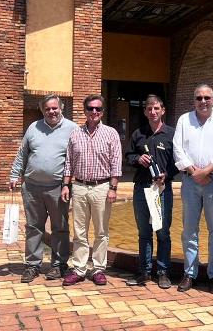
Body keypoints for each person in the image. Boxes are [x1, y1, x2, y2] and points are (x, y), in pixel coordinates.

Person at [9, 94, 77, 283]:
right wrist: (15, 175)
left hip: (58, 188)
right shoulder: (34, 127)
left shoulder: (72, 129)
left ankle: (59, 264)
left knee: (60, 227)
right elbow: (22, 153)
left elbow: (76, 159)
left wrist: (70, 184)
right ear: (42, 110)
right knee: (33, 227)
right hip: (32, 187)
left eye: (55, 108)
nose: (51, 111)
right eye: (47, 109)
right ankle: (32, 265)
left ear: (61, 108)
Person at [173, 84, 213, 293]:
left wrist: (205, 171)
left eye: (207, 97)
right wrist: (193, 171)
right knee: (189, 230)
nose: (203, 101)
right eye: (199, 98)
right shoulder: (183, 120)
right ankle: (190, 273)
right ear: (194, 100)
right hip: (189, 181)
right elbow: (177, 149)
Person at [60, 94, 122, 286]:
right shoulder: (75, 133)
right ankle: (79, 268)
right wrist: (65, 185)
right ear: (84, 110)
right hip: (79, 187)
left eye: (98, 109)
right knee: (79, 232)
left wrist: (113, 187)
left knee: (101, 231)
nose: (94, 112)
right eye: (90, 108)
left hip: (102, 187)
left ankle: (98, 269)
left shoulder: (111, 133)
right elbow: (69, 162)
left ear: (102, 111)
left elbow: (116, 163)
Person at [124, 95, 177, 289]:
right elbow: (128, 156)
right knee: (144, 232)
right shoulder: (138, 134)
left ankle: (163, 273)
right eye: (149, 109)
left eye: (156, 108)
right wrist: (138, 159)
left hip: (162, 189)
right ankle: (144, 272)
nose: (153, 112)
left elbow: (177, 162)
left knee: (162, 232)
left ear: (163, 110)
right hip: (142, 188)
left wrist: (168, 174)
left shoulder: (171, 134)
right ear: (145, 112)